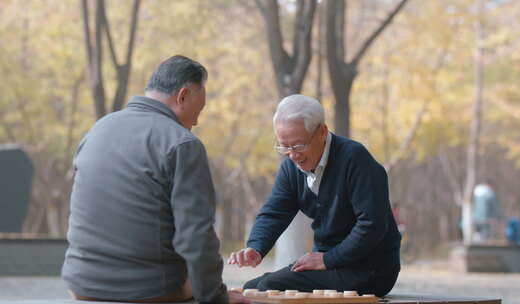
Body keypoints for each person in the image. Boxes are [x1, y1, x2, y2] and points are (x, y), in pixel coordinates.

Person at [62, 55, 248, 304]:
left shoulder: (97, 130)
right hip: (147, 289)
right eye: (198, 110)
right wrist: (217, 298)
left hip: (81, 284)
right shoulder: (182, 143)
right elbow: (195, 236)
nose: (196, 121)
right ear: (182, 96)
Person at [228, 95, 401, 297]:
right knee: (252, 287)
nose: (293, 155)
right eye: (284, 146)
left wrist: (327, 259)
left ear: (322, 132)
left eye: (299, 145)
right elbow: (275, 213)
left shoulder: (355, 159)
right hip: (327, 264)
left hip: (370, 269)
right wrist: (255, 248)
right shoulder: (291, 169)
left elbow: (372, 224)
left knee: (268, 286)